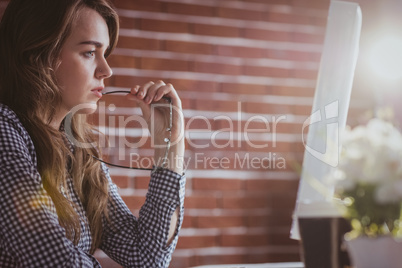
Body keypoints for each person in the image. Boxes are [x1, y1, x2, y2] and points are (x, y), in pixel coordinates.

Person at [0, 0, 185, 267]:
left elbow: (147, 257)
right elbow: (52, 259)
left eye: (104, 53)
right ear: (38, 54)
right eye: (89, 52)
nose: (106, 70)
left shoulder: (78, 151)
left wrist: (170, 141)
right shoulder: (6, 132)